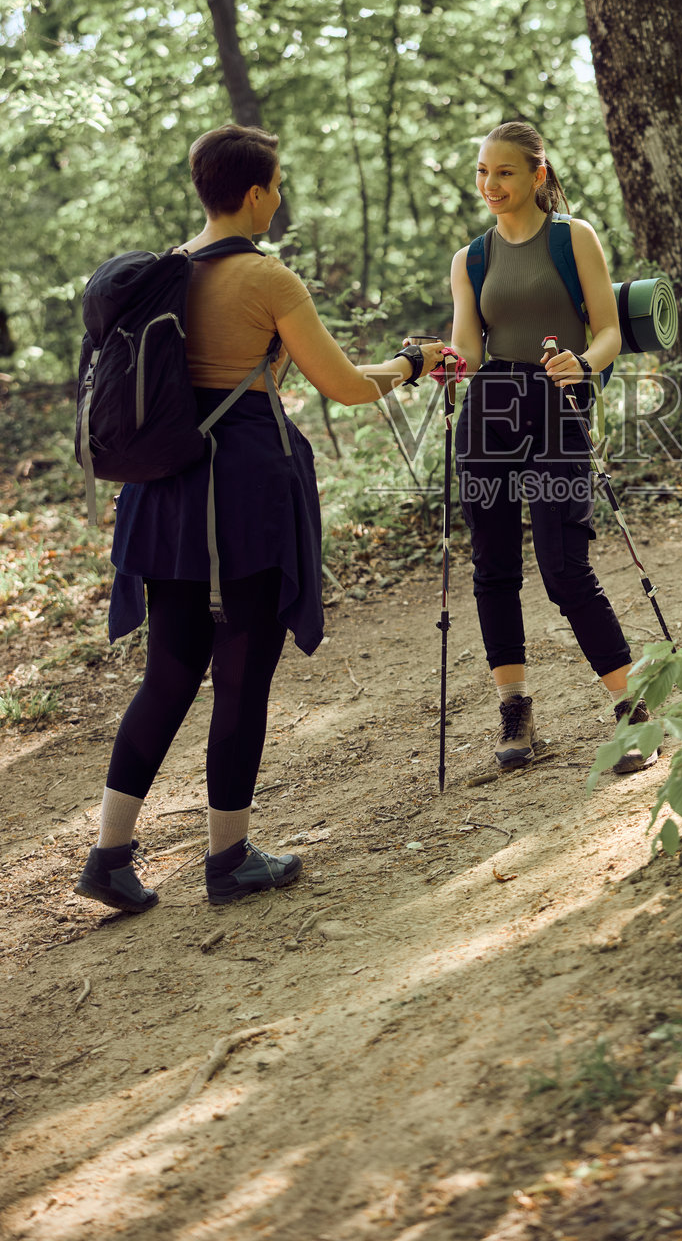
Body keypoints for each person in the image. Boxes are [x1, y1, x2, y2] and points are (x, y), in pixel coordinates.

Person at [75, 123, 444, 913]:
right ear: (253, 194)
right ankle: (229, 857)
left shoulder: (166, 271)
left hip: (165, 490)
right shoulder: (267, 279)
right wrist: (413, 364)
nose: (279, 198)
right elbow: (343, 385)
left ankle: (108, 855)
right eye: (276, 186)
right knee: (240, 676)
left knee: (169, 673)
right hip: (241, 493)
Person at [448, 120, 657, 774]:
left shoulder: (574, 239)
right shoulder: (470, 259)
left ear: (537, 176)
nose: (490, 184)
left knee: (565, 567)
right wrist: (430, 365)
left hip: (556, 406)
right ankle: (514, 712)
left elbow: (606, 333)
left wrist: (583, 365)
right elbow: (467, 353)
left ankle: (633, 712)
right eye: (482, 172)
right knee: (492, 569)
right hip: (488, 413)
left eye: (503, 172)